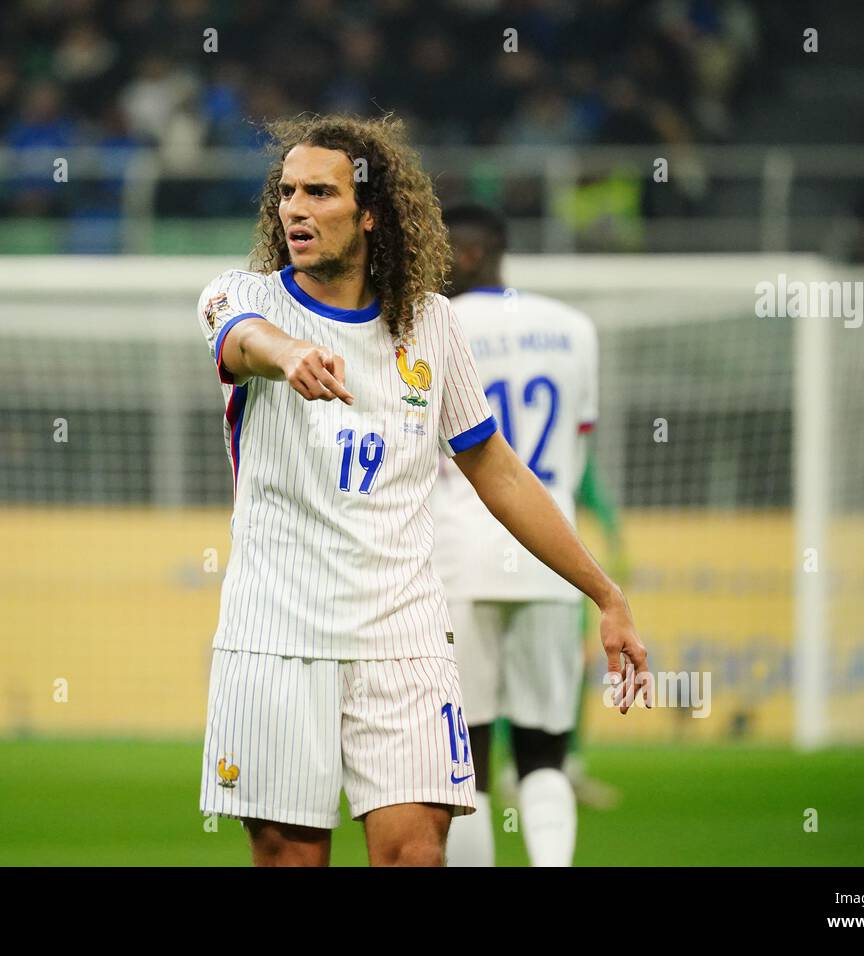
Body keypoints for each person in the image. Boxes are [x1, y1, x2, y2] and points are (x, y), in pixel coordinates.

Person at [195, 114, 649, 867]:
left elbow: (498, 472)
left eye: (319, 192)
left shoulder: (432, 324)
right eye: (286, 193)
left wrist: (606, 595)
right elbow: (242, 340)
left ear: (369, 212)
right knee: (290, 858)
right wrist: (289, 353)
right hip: (274, 636)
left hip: (401, 640)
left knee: (415, 855)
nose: (295, 209)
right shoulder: (241, 295)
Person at [433, 204, 620, 867]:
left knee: (467, 756)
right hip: (551, 555)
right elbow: (577, 444)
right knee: (546, 748)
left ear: (468, 253)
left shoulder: (431, 323)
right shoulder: (573, 328)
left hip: (459, 554)